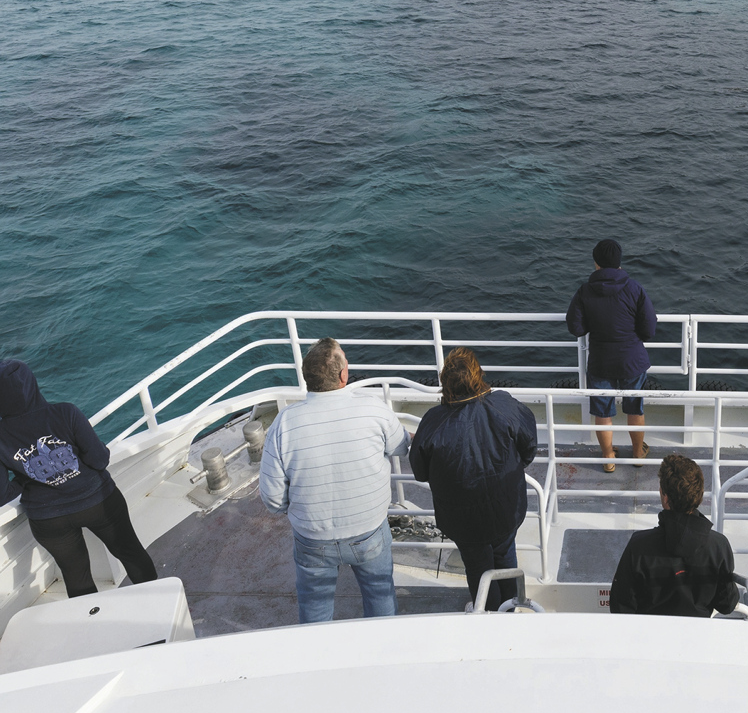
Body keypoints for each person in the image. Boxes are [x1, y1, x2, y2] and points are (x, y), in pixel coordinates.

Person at [259, 338, 410, 623]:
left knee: (314, 611)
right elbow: (401, 446)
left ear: (308, 378)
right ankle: (383, 644)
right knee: (380, 597)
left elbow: (273, 498)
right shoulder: (373, 408)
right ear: (343, 375)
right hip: (369, 531)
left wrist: (301, 511)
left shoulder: (284, 423)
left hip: (312, 539)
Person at [0, 359, 158, 597]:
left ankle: (94, 618)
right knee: (131, 553)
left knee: (76, 576)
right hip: (98, 502)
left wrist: (26, 478)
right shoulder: (65, 412)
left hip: (48, 519)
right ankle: (158, 603)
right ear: (32, 384)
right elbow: (99, 460)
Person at [410, 348, 538, 612]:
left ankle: (486, 613)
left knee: (477, 566)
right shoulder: (504, 405)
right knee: (506, 556)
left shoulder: (433, 421)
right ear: (479, 375)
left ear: (445, 382)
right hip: (505, 508)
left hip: (461, 519)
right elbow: (529, 447)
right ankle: (509, 609)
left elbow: (420, 471)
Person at [565, 238, 658, 473]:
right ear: (619, 263)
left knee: (603, 412)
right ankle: (637, 453)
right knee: (635, 408)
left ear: (596, 263)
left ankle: (608, 457)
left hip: (600, 361)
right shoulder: (635, 288)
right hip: (632, 360)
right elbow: (649, 330)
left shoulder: (585, 291)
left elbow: (576, 328)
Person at [609, 453, 741, 617]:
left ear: (665, 498)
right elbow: (727, 604)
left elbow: (620, 607)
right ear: (699, 496)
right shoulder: (718, 545)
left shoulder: (639, 545)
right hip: (697, 631)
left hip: (650, 632)